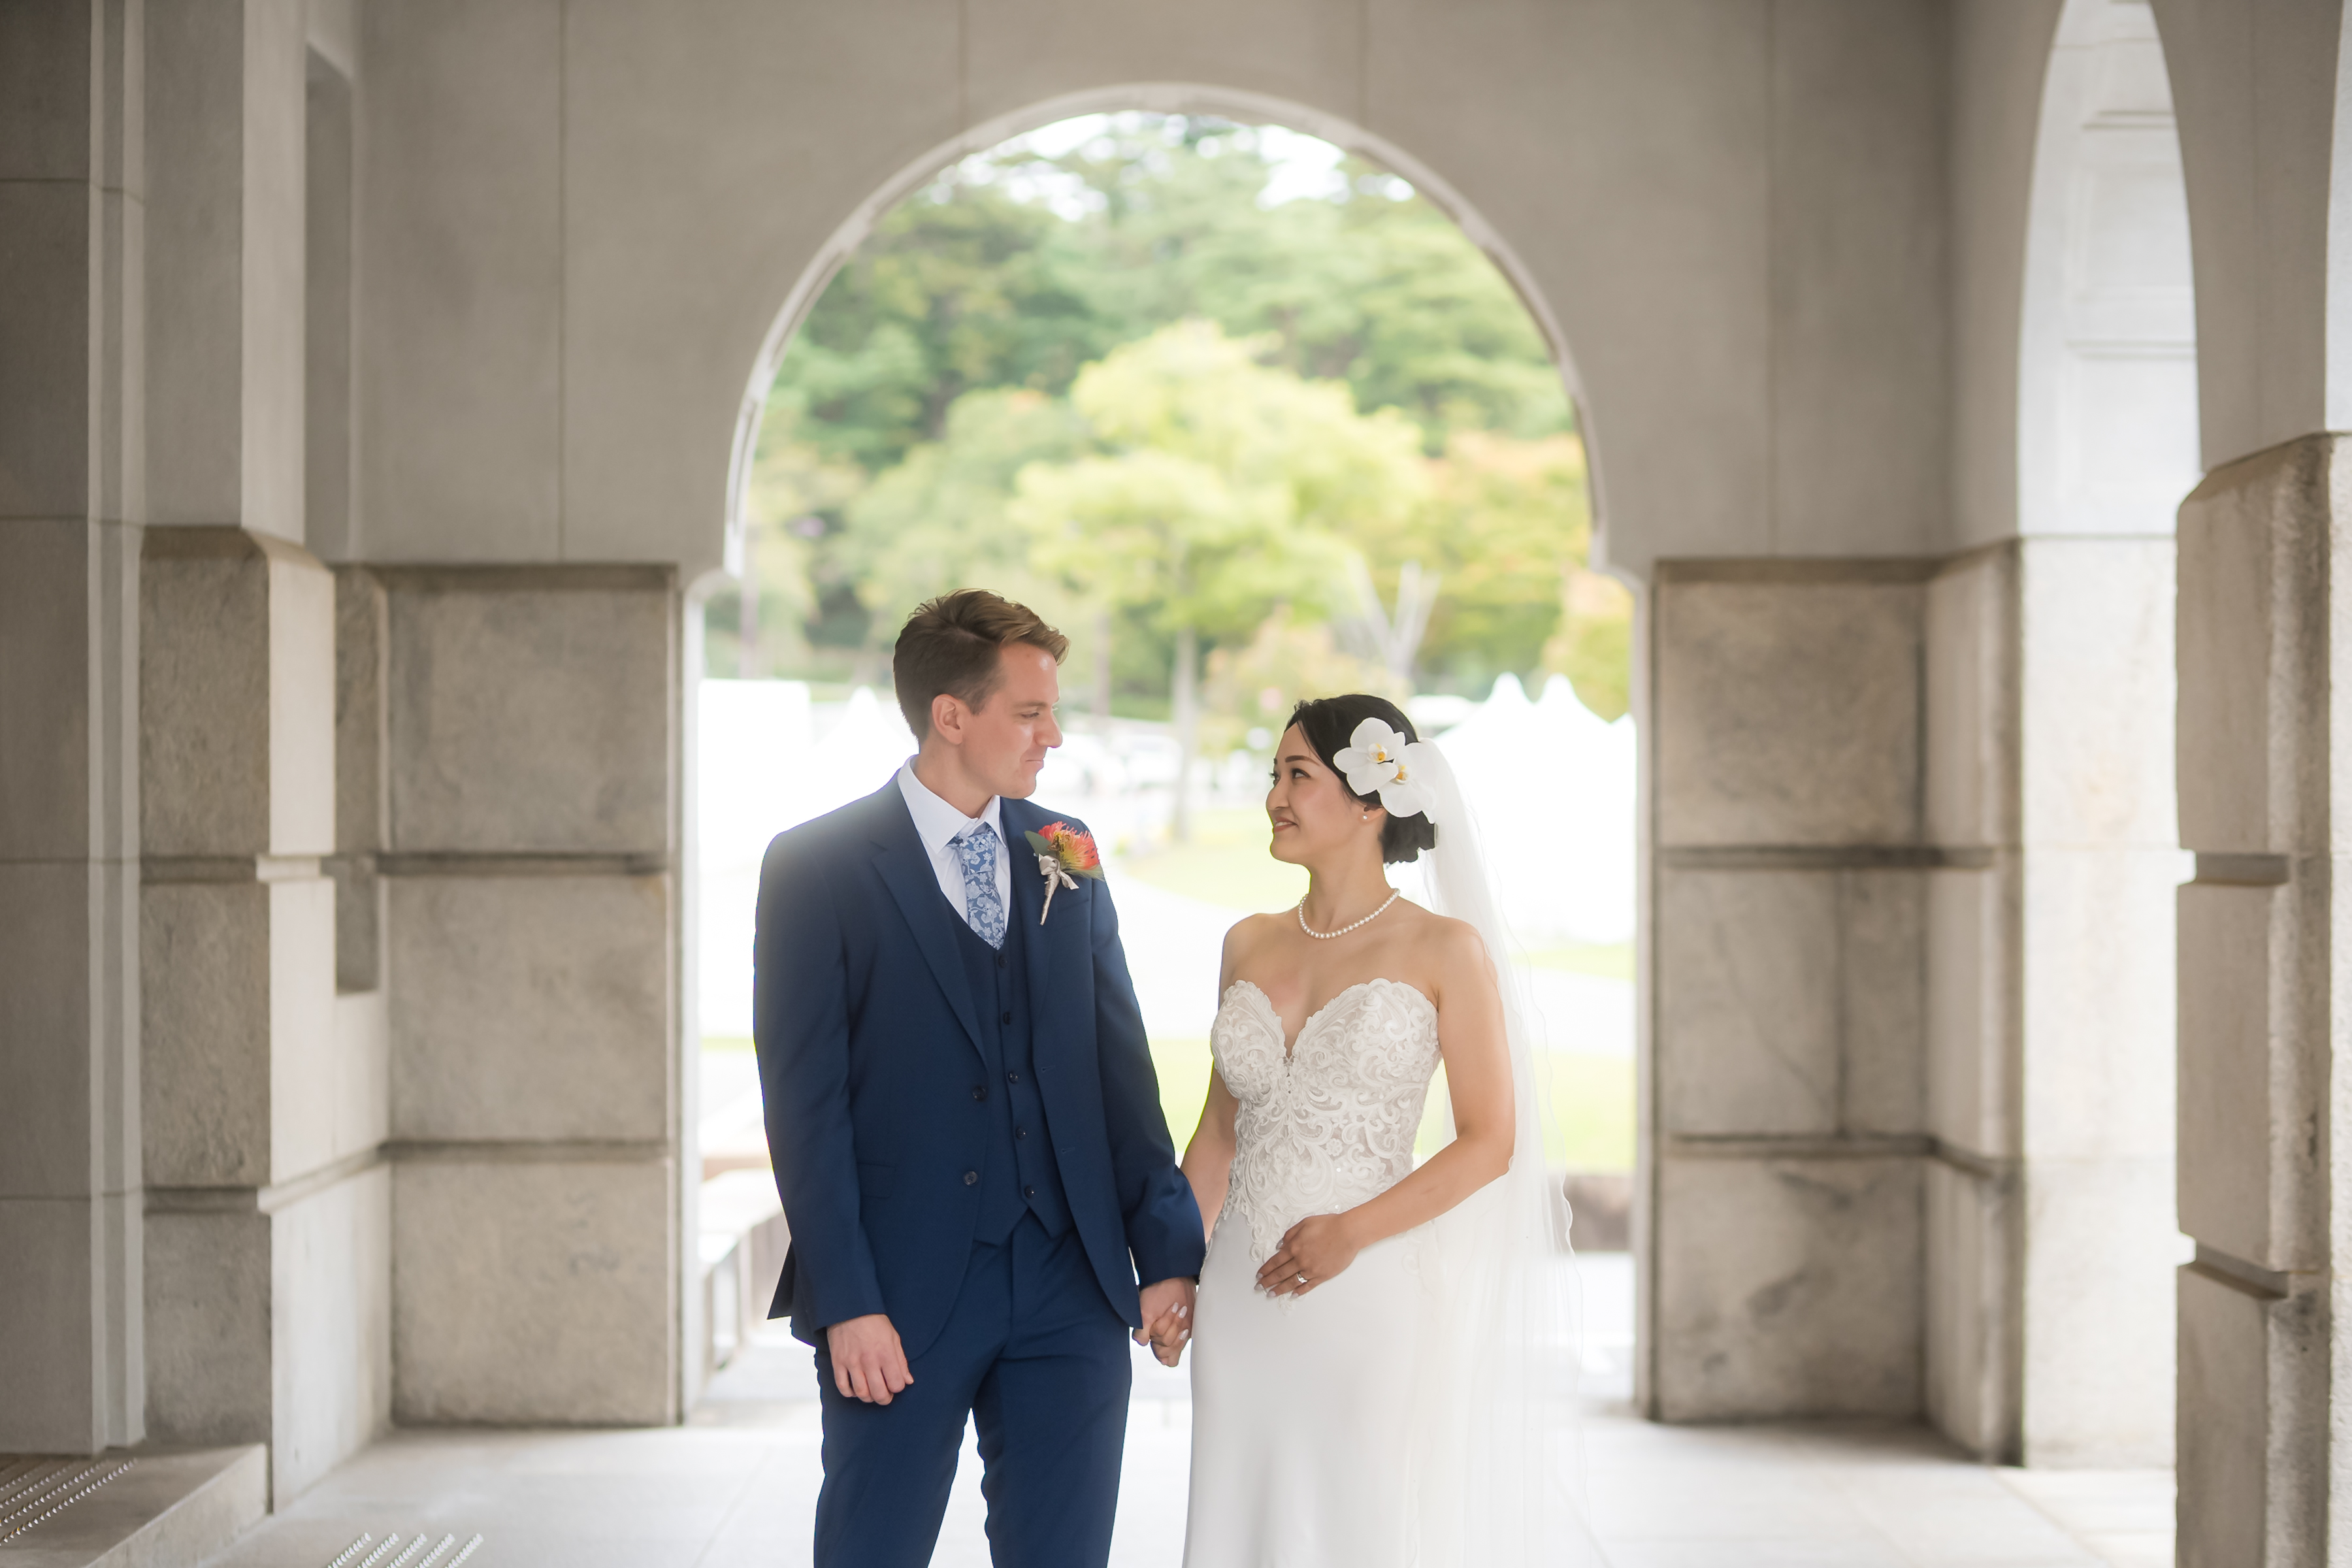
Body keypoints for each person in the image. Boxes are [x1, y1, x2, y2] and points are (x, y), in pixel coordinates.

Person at [753, 589, 1204, 1568]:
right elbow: (806, 1107)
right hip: (900, 1292)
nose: (1055, 735)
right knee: (874, 1550)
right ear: (952, 716)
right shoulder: (816, 865)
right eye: (1031, 712)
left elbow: (1120, 1069)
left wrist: (1165, 1244)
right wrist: (849, 1300)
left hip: (1069, 1282)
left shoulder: (1063, 848)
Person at [1164, 693, 1602, 1567]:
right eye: (1274, 775)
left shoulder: (1446, 949)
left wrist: (1350, 1234)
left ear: (1371, 802)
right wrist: (1172, 1267)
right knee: (1234, 1508)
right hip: (1240, 1294)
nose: (1274, 798)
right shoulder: (1245, 942)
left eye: (1298, 775)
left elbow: (1490, 1140)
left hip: (1364, 1288)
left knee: (1353, 1515)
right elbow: (1219, 1129)